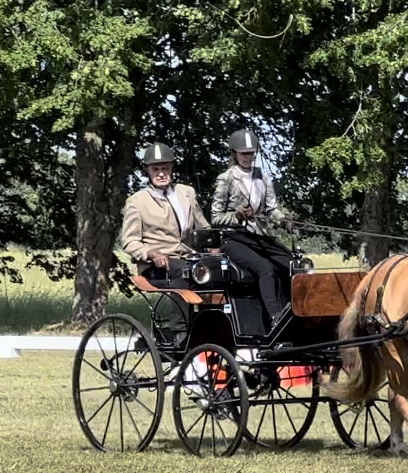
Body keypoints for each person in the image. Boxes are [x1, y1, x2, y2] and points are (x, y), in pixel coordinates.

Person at [121, 142, 210, 345]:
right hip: (156, 267)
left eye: (165, 168)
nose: (161, 173)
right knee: (183, 272)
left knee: (220, 272)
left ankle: (213, 328)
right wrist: (151, 254)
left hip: (189, 260)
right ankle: (180, 335)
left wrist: (214, 246)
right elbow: (129, 241)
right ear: (148, 171)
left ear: (171, 168)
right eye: (156, 169)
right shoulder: (137, 201)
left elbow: (203, 228)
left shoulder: (186, 193)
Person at [211, 128, 293, 329]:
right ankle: (275, 317)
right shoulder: (226, 179)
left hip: (258, 237)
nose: (247, 157)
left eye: (251, 153)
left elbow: (272, 209)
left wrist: (284, 220)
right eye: (243, 153)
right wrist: (237, 216)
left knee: (291, 262)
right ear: (234, 154)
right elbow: (216, 217)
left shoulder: (262, 178)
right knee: (264, 268)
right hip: (234, 239)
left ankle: (294, 310)